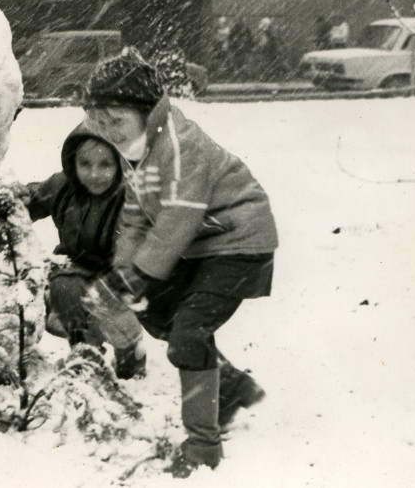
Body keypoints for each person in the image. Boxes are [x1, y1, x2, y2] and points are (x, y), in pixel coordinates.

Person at [81, 49, 277, 478]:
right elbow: (135, 217)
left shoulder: (180, 145)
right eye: (100, 122)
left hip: (240, 241)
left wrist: (135, 276)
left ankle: (203, 447)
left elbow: (177, 218)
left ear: (145, 111)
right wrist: (122, 275)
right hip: (199, 245)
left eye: (116, 119)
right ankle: (230, 386)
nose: (108, 131)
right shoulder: (138, 150)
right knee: (153, 308)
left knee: (188, 333)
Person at [17, 128, 147, 380]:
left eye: (105, 164)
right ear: (72, 162)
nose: (94, 174)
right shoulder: (62, 187)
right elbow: (30, 202)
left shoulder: (132, 199)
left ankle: (130, 350)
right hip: (75, 268)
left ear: (120, 163)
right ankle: (85, 351)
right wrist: (15, 198)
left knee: (107, 301)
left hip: (120, 274)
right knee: (64, 286)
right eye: (85, 164)